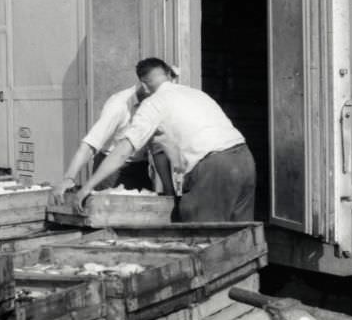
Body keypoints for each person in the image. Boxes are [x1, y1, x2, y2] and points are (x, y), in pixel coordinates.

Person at [74, 57, 256, 222]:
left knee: (203, 236)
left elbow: (123, 151)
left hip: (215, 167)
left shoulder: (153, 103)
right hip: (244, 160)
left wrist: (87, 187)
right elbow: (160, 147)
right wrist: (169, 191)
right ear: (169, 75)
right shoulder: (196, 94)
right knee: (239, 236)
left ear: (143, 86)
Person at [50, 70, 179, 205]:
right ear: (145, 86)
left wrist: (169, 190)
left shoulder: (157, 105)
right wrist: (69, 177)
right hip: (110, 171)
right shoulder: (119, 104)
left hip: (139, 168)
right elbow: (91, 143)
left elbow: (158, 152)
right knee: (107, 218)